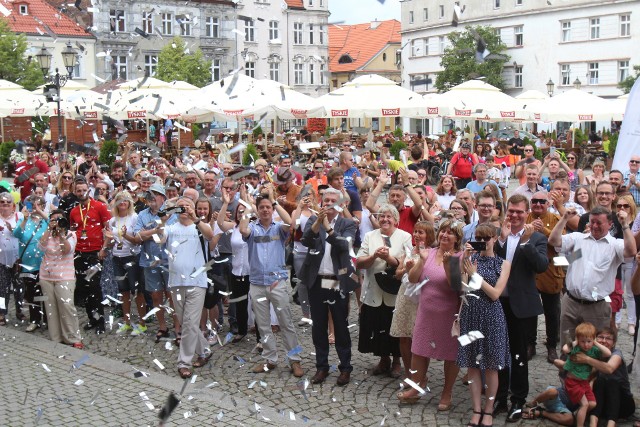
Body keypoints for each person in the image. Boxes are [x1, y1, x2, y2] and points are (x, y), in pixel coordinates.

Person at [494, 194, 549, 422]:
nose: (515, 215)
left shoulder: (536, 237)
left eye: (519, 211)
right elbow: (491, 263)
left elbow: (541, 266)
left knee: (518, 354)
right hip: (497, 303)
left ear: (527, 213)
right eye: (512, 211)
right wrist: (502, 242)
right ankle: (498, 396)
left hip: (520, 306)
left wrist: (525, 243)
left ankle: (518, 399)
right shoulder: (500, 235)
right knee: (498, 352)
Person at [549, 206, 637, 346]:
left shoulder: (614, 245)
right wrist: (564, 218)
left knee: (595, 350)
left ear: (610, 224)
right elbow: (554, 241)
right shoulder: (578, 239)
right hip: (571, 303)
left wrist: (625, 226)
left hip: (597, 306)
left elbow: (631, 251)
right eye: (592, 222)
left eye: (599, 223)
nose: (594, 226)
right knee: (567, 347)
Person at [240, 188, 304, 378]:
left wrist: (275, 202)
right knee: (263, 324)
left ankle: (294, 360)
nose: (265, 210)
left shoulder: (278, 228)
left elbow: (291, 223)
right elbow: (243, 229)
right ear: (257, 210)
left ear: (272, 209)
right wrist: (247, 208)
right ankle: (270, 359)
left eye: (268, 207)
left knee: (286, 323)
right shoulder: (253, 228)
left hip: (277, 282)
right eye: (262, 207)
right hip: (257, 283)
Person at [397, 219, 462, 409]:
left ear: (457, 238)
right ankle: (416, 387)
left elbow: (455, 286)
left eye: (450, 232)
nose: (444, 235)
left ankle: (447, 393)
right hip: (426, 311)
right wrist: (422, 261)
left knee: (450, 354)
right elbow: (413, 278)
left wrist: (450, 264)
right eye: (442, 231)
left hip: (449, 313)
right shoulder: (430, 252)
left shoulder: (460, 256)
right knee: (418, 350)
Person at [300, 188, 358, 386]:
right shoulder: (313, 220)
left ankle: (345, 367)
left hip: (336, 279)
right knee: (319, 325)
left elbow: (344, 246)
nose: (329, 203)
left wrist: (329, 228)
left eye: (333, 200)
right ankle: (321, 366)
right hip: (317, 280)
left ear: (340, 205)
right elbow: (305, 240)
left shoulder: (347, 223)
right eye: (326, 200)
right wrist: (318, 223)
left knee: (341, 325)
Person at [459, 224, 512, 427]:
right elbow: (463, 289)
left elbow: (495, 294)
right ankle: (476, 409)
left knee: (491, 366)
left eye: (487, 238)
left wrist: (475, 276)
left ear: (495, 239)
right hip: (471, 314)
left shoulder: (503, 264)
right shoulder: (471, 260)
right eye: (479, 238)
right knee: (472, 365)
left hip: (492, 316)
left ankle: (488, 410)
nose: (483, 242)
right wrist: (464, 261)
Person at [158, 196, 215, 379]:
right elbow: (158, 239)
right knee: (186, 322)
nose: (184, 210)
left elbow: (210, 235)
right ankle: (205, 349)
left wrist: (196, 217)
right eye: (180, 207)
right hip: (176, 282)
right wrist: (161, 221)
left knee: (190, 323)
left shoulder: (199, 226)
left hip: (197, 282)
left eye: (187, 206)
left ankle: (184, 363)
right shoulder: (171, 228)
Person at [357, 204, 412, 379]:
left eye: (389, 217)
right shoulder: (369, 236)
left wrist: (389, 258)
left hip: (394, 291)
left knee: (394, 328)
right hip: (373, 289)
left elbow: (408, 263)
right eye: (382, 216)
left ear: (396, 220)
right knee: (377, 326)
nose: (385, 219)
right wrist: (374, 256)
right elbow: (359, 262)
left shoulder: (405, 237)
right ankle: (383, 359)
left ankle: (397, 361)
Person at [131, 183, 179, 344]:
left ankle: (178, 328)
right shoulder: (142, 215)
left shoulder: (172, 214)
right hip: (149, 261)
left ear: (163, 198)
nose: (151, 198)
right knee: (156, 295)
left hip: (170, 262)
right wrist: (155, 231)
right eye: (149, 195)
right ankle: (162, 326)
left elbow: (174, 236)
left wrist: (148, 233)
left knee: (172, 296)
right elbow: (137, 237)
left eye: (155, 194)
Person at [390, 221, 436, 379]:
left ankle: (420, 374)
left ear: (429, 235)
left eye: (421, 232)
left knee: (420, 336)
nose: (416, 235)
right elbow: (397, 274)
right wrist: (405, 269)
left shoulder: (433, 253)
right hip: (405, 295)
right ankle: (409, 372)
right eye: (415, 231)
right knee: (404, 335)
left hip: (422, 296)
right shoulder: (408, 251)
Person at [526, 191, 564, 364]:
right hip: (530, 272)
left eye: (542, 201)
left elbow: (560, 245)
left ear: (548, 203)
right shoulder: (526, 218)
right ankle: (530, 344)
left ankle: (551, 346)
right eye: (535, 201)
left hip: (550, 270)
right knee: (530, 311)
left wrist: (545, 230)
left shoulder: (556, 220)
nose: (538, 205)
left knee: (552, 312)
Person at [69, 178, 111, 334]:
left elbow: (108, 230)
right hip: (79, 253)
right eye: (78, 190)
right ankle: (91, 318)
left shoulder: (100, 207)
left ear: (89, 190)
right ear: (75, 192)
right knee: (83, 287)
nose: (81, 193)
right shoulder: (74, 211)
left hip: (95, 253)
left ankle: (100, 321)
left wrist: (104, 248)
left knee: (94, 287)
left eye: (83, 190)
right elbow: (73, 231)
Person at [38, 210, 83, 348]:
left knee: (67, 306)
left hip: (65, 276)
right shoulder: (47, 233)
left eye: (59, 219)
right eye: (53, 219)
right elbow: (40, 247)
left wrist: (61, 235)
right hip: (46, 276)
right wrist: (49, 230)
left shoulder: (71, 234)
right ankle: (56, 337)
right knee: (51, 307)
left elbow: (67, 250)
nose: (56, 222)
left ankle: (73, 337)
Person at [573, 327, 635, 427]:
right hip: (602, 404)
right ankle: (593, 423)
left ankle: (611, 424)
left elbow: (609, 368)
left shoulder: (616, 354)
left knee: (611, 381)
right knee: (599, 381)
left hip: (623, 404)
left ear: (614, 343)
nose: (604, 341)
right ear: (595, 339)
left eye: (608, 338)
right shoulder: (592, 352)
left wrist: (587, 359)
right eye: (601, 337)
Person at [553, 322, 611, 427]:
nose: (586, 344)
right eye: (582, 341)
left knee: (593, 404)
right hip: (573, 382)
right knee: (585, 404)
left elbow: (608, 353)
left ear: (593, 340)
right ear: (578, 340)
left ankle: (577, 415)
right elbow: (565, 349)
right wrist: (575, 341)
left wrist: (595, 343)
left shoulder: (594, 350)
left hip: (583, 383)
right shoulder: (576, 349)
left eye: (589, 341)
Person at [107, 191, 146, 336]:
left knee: (137, 292)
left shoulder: (135, 218)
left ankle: (142, 323)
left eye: (125, 200)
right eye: (119, 200)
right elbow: (113, 239)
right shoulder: (113, 220)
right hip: (117, 257)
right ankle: (127, 321)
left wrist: (125, 236)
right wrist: (107, 243)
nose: (122, 203)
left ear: (130, 203)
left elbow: (138, 239)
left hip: (132, 257)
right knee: (123, 292)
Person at [13, 195, 47, 331]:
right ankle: (35, 319)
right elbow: (16, 234)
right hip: (28, 264)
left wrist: (40, 212)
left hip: (45, 263)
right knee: (32, 293)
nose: (33, 208)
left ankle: (48, 319)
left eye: (37, 205)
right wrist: (25, 219)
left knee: (45, 293)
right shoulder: (23, 220)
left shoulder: (45, 220)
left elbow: (53, 222)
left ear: (43, 206)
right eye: (31, 205)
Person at [0, 192, 25, 325]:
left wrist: (13, 228)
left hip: (18, 259)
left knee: (19, 287)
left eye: (8, 203)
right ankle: (1, 313)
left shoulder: (19, 216)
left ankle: (19, 310)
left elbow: (24, 233)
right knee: (2, 288)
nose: (5, 205)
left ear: (13, 205)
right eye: (2, 203)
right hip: (1, 259)